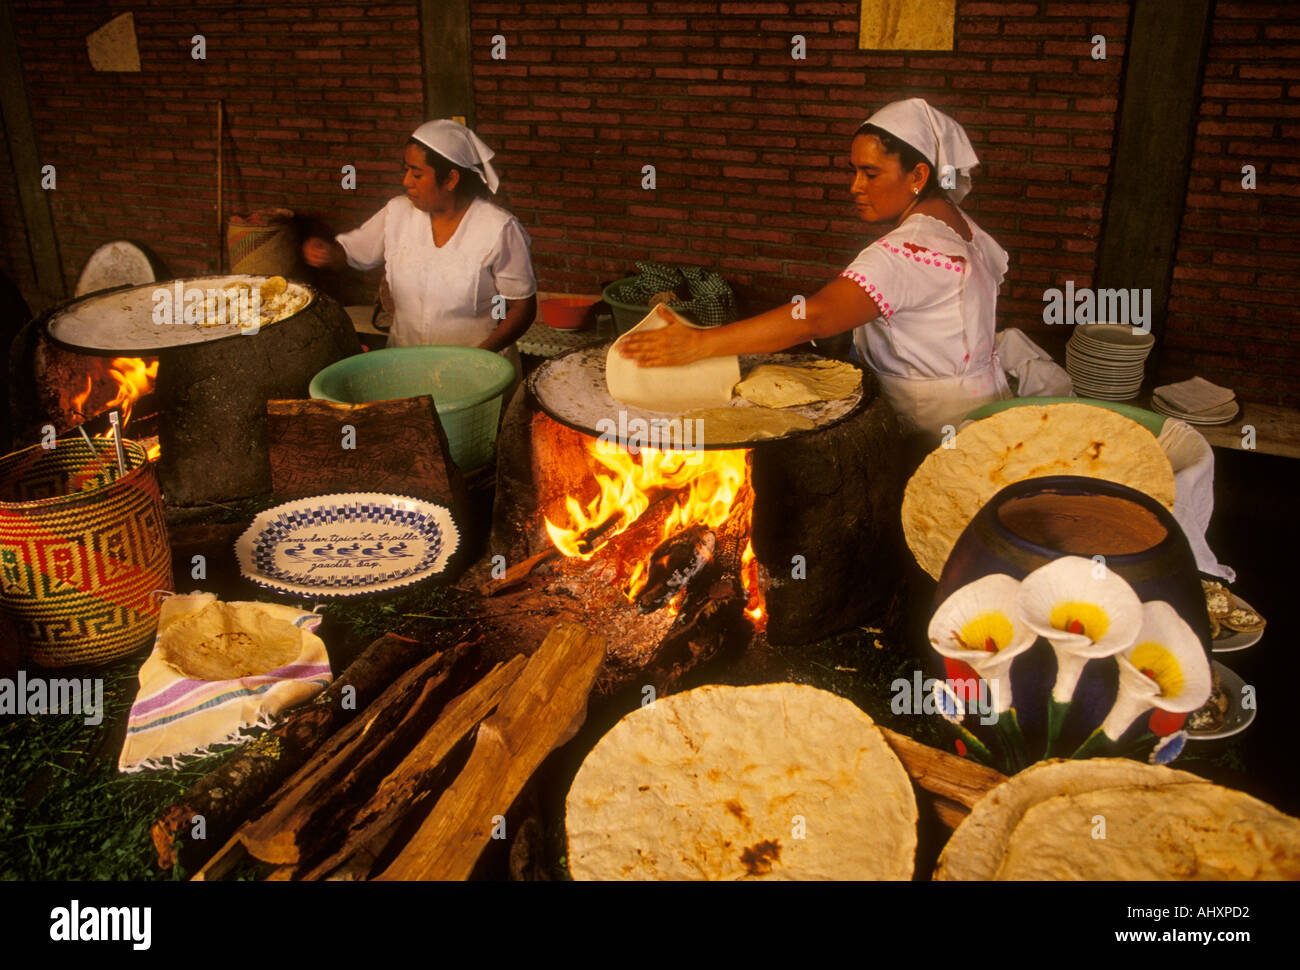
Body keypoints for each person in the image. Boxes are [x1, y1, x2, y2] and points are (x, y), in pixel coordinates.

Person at [618, 98, 1012, 439]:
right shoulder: (958, 227)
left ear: (918, 175)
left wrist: (699, 344)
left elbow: (816, 317)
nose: (855, 186)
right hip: (979, 407)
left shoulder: (905, 251)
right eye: (853, 170)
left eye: (870, 173)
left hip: (928, 425)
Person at [303, 120, 537, 375]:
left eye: (416, 174)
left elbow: (521, 308)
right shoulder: (397, 213)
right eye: (406, 171)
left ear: (450, 178)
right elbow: (349, 254)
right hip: (406, 365)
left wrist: (480, 356)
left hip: (475, 370)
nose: (406, 182)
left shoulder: (497, 228)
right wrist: (327, 253)